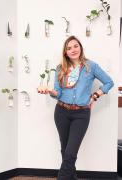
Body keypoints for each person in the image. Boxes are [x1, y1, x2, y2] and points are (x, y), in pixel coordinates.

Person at [37, 35, 114, 180]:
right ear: (65, 52)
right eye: (69, 48)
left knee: (70, 153)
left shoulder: (91, 66)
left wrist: (95, 96)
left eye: (75, 46)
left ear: (80, 47)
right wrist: (49, 91)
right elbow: (58, 93)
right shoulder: (61, 68)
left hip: (81, 114)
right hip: (61, 112)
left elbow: (109, 82)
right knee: (65, 150)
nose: (73, 50)